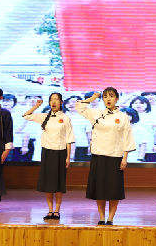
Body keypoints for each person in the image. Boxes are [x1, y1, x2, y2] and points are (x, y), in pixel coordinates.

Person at [76, 88, 135, 225]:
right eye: (105, 96)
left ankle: (110, 218)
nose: (108, 99)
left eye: (111, 96)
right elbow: (79, 106)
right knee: (100, 189)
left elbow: (127, 137)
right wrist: (92, 98)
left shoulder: (123, 116)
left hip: (115, 156)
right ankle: (102, 217)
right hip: (98, 156)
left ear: (117, 99)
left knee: (114, 190)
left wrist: (125, 158)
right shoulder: (96, 113)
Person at [23, 93, 75, 220]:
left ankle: (57, 211)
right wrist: (36, 106)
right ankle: (50, 210)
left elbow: (69, 139)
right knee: (48, 183)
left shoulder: (66, 118)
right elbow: (26, 115)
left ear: (61, 102)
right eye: (52, 100)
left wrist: (68, 157)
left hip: (60, 153)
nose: (54, 102)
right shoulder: (44, 116)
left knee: (58, 184)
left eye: (56, 99)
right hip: (47, 153)